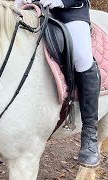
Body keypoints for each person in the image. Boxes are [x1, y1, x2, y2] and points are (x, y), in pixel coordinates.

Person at [15, 0, 101, 167]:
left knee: (82, 58)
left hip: (70, 11)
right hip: (33, 9)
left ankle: (90, 134)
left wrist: (61, 1)